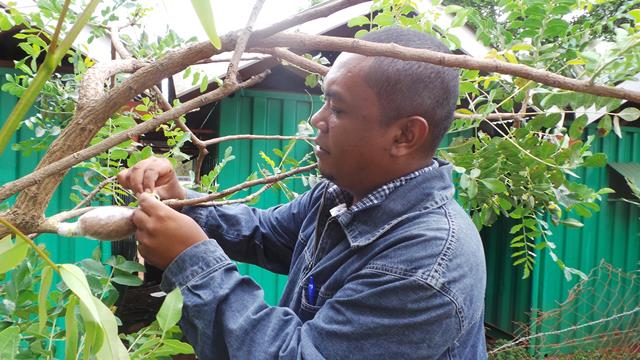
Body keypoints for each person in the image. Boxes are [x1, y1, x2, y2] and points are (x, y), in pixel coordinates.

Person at [117, 27, 487, 359]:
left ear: (405, 136)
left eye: (338, 107)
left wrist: (192, 262)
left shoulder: (425, 266)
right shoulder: (341, 195)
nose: (317, 120)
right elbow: (264, 233)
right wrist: (180, 203)